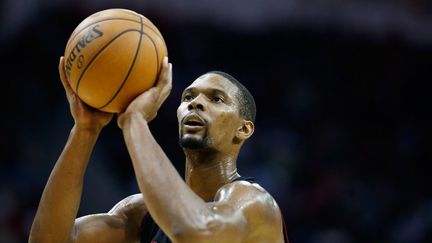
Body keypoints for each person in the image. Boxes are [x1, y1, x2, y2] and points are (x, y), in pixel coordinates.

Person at [29, 56, 288, 243]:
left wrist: (133, 120)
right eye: (188, 97)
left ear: (243, 130)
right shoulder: (143, 213)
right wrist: (85, 129)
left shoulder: (253, 202)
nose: (195, 103)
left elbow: (195, 232)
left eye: (216, 99)